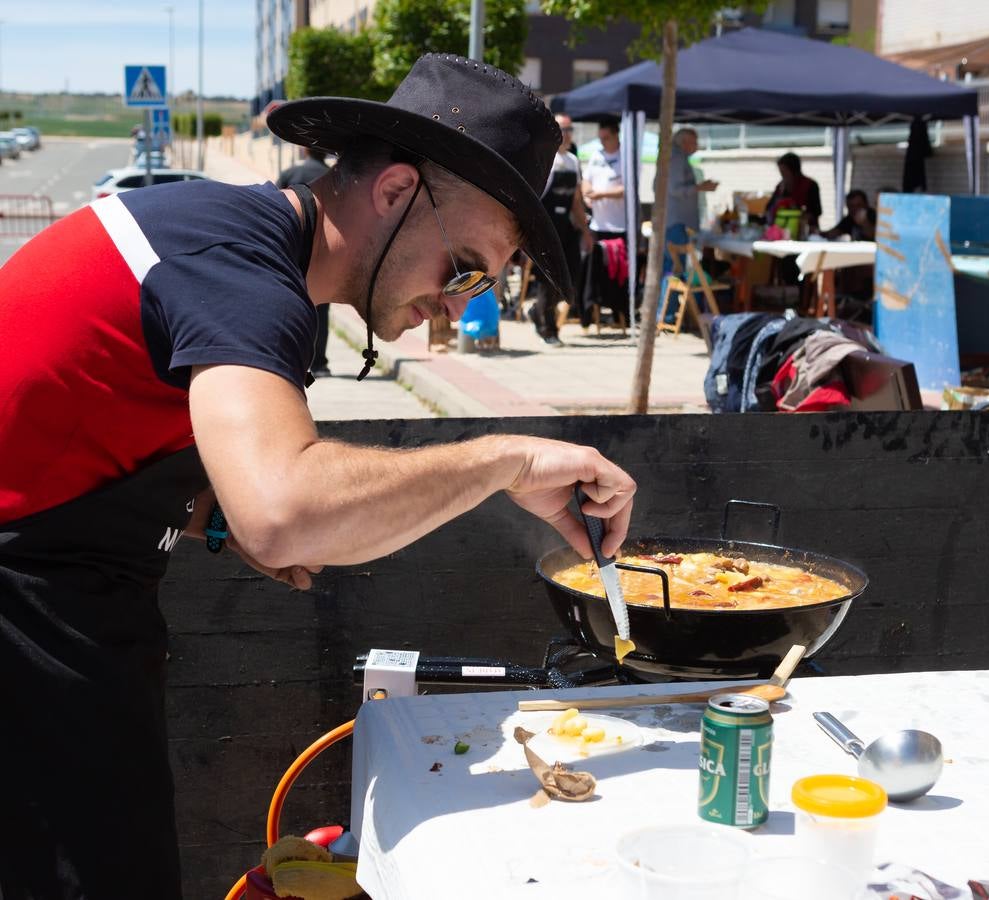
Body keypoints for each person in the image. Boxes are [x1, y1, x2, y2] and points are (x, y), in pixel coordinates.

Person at [0, 53, 637, 899]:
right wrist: (504, 459)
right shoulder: (237, 271)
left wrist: (214, 519)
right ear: (395, 190)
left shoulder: (253, 263)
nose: (460, 306)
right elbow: (284, 512)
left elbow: (103, 438)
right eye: (466, 269)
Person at [530, 114, 592, 346]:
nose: (566, 134)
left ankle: (538, 311)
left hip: (566, 227)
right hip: (547, 228)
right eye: (562, 129)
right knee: (549, 279)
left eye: (569, 129)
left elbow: (576, 201)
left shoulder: (573, 161)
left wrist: (585, 231)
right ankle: (548, 328)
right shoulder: (545, 159)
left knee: (570, 279)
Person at [276, 147, 333, 375]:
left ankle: (289, 360)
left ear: (304, 150)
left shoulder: (290, 174)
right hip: (325, 254)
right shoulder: (334, 176)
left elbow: (275, 207)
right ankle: (319, 363)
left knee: (288, 307)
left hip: (292, 251)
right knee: (320, 311)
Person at [659, 128, 718, 322]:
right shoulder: (676, 160)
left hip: (677, 221)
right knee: (674, 269)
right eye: (694, 141)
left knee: (673, 268)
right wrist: (700, 187)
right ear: (684, 142)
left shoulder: (678, 159)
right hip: (676, 222)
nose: (697, 145)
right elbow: (675, 190)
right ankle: (667, 315)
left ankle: (667, 314)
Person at [582, 117, 626, 242]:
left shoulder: (626, 157)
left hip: (619, 226)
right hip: (597, 225)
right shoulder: (596, 155)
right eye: (600, 138)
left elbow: (627, 190)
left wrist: (600, 195)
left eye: (606, 138)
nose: (602, 142)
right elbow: (585, 179)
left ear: (616, 135)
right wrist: (587, 195)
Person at [765, 151, 822, 233]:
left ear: (794, 171)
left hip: (805, 231)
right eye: (781, 173)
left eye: (784, 173)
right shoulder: (780, 187)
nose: (783, 176)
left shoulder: (810, 185)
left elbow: (816, 211)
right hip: (783, 232)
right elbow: (769, 209)